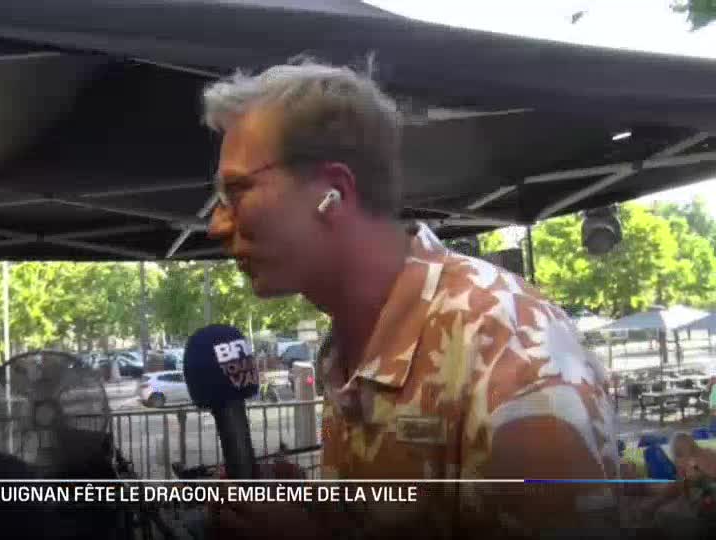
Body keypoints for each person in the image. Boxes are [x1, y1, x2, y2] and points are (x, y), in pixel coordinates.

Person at [202, 57, 619, 539]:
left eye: (237, 190)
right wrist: (324, 512)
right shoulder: (348, 345)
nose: (216, 224)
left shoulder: (510, 348)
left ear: (333, 192)